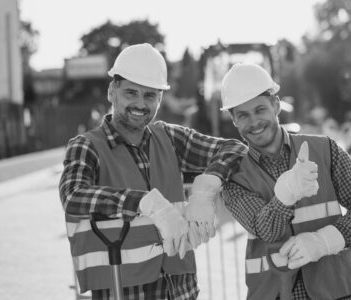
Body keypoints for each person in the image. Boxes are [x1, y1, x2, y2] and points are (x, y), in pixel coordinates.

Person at [59, 43, 247, 300]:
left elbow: (234, 149)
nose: (140, 103)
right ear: (112, 91)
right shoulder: (87, 146)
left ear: (160, 98)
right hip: (122, 292)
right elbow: (73, 196)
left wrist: (207, 188)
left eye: (150, 95)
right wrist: (147, 203)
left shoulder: (170, 138)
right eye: (131, 93)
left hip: (180, 290)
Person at [220, 63, 351, 300]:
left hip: (335, 292)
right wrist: (286, 194)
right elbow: (266, 230)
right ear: (233, 119)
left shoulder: (324, 149)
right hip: (274, 294)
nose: (254, 122)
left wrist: (325, 240)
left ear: (276, 105)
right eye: (243, 115)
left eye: (260, 109)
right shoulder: (234, 177)